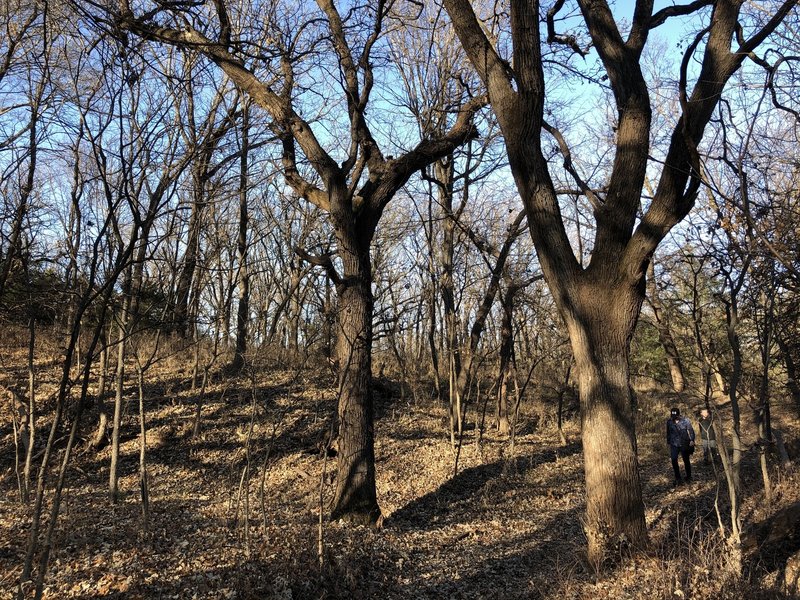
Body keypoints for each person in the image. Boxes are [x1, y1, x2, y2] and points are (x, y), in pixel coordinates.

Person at [667, 407, 695, 485]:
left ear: (679, 415)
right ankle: (678, 478)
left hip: (684, 443)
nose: (674, 418)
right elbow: (668, 432)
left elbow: (691, 431)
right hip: (674, 444)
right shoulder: (669, 422)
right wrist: (668, 442)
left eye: (675, 417)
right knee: (674, 460)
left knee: (686, 460)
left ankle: (689, 476)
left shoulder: (686, 421)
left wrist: (692, 440)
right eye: (672, 416)